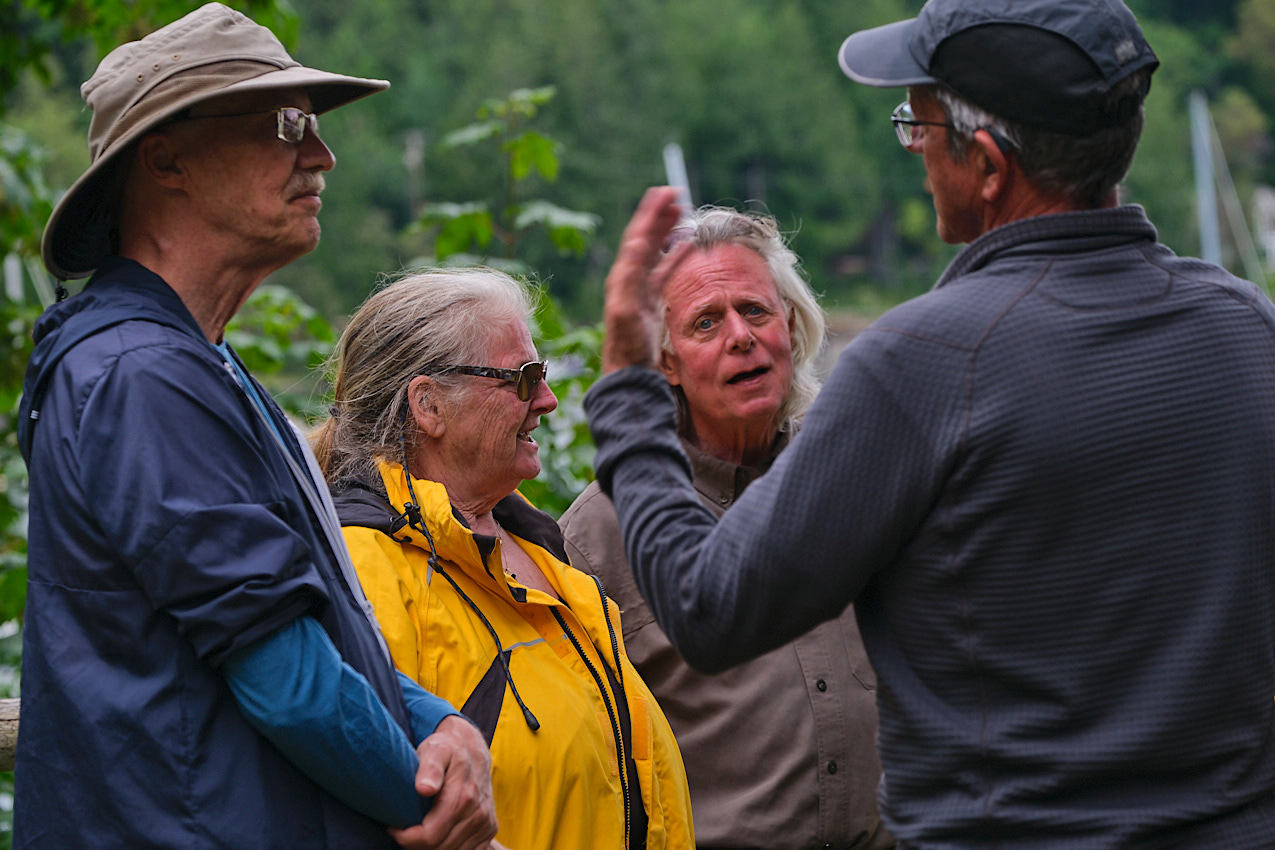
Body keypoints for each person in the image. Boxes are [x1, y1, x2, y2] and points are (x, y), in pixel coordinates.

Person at [581, 0, 1275, 846]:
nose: (914, 154)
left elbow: (709, 608)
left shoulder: (927, 361)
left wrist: (625, 387)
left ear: (984, 164)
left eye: (919, 125)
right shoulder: (1243, 328)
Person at [16, 5, 498, 848]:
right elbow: (288, 681)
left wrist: (438, 720)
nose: (321, 154)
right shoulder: (142, 377)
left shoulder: (196, 363)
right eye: (284, 124)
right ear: (166, 157)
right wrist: (443, 817)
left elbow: (304, 630)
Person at [310, 268, 695, 850]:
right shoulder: (369, 571)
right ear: (429, 405)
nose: (548, 398)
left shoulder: (545, 555)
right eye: (524, 377)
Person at [559, 207, 892, 850]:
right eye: (706, 323)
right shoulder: (598, 537)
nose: (740, 336)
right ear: (665, 364)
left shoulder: (863, 480)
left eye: (756, 310)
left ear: (790, 328)